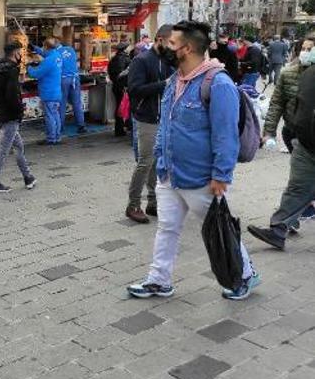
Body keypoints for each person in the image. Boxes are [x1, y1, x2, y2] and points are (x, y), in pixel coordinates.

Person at [127, 20, 260, 301]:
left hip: (201, 178)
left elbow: (226, 136)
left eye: (170, 43)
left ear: (186, 49)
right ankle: (159, 280)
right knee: (167, 228)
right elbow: (166, 123)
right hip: (169, 174)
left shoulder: (218, 83)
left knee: (219, 229)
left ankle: (244, 275)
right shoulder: (175, 80)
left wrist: (221, 175)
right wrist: (161, 159)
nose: (163, 46)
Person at [248, 47, 315, 250]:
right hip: (305, 143)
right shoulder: (306, 74)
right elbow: (284, 103)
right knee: (298, 187)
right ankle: (279, 229)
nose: (307, 52)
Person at [125, 25, 174, 224]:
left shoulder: (165, 59)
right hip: (146, 117)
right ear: (160, 39)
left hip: (162, 117)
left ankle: (152, 202)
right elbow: (134, 89)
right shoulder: (142, 60)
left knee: (156, 160)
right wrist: (164, 84)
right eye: (171, 42)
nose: (173, 46)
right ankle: (133, 205)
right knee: (145, 162)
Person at [0, 43, 36, 193]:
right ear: (15, 53)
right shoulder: (11, 71)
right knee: (3, 150)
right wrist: (20, 111)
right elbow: (12, 95)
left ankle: (28, 177)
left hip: (0, 113)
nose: (21, 55)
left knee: (19, 146)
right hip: (10, 116)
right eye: (20, 52)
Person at [262, 37, 314, 155]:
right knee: (301, 170)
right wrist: (269, 132)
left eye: (309, 49)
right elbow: (277, 104)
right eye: (303, 49)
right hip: (293, 132)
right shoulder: (288, 74)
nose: (305, 52)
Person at [27, 38, 63, 145]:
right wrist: (34, 48)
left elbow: (35, 74)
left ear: (46, 47)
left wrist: (27, 66)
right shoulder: (56, 56)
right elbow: (45, 53)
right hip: (56, 91)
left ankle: (51, 138)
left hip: (48, 92)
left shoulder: (48, 61)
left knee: (50, 116)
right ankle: (57, 136)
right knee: (55, 115)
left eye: (43, 46)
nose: (42, 48)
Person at [108, 43, 131, 137]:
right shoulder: (124, 58)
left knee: (119, 106)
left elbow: (110, 72)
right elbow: (123, 74)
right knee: (123, 107)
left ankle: (120, 128)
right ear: (124, 49)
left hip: (116, 86)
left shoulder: (113, 59)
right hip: (122, 87)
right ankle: (120, 128)